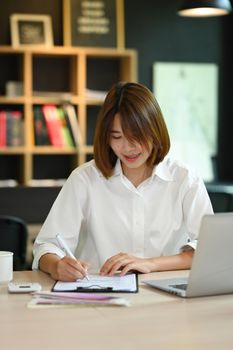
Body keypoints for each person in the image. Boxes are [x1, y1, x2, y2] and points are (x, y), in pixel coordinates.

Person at [32, 82, 213, 281]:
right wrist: (56, 266)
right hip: (99, 294)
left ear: (155, 130)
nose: (127, 147)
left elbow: (209, 249)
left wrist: (149, 264)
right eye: (117, 137)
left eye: (136, 136)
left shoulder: (185, 179)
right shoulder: (84, 179)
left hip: (164, 294)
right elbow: (46, 246)